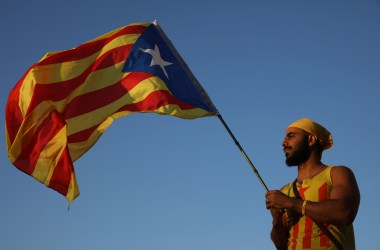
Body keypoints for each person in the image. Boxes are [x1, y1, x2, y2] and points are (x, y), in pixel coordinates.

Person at [265, 118, 360, 250]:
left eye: (291, 136)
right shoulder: (283, 192)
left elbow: (344, 213)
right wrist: (276, 220)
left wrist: (291, 203)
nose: (283, 143)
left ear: (311, 140)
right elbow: (281, 246)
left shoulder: (337, 173)